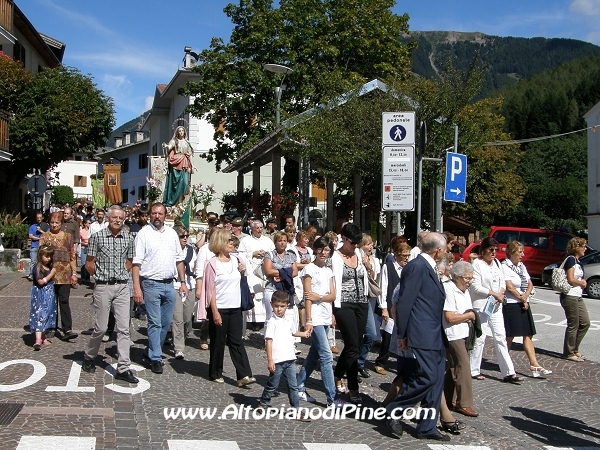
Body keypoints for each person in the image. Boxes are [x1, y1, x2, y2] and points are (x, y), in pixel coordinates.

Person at [385, 232, 450, 442]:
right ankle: (395, 409)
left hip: (434, 332)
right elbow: (404, 302)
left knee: (437, 378)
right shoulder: (417, 266)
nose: (448, 250)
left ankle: (427, 425)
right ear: (438, 250)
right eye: (446, 247)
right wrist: (402, 333)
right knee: (428, 375)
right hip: (421, 332)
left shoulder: (428, 266)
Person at [82, 206, 138, 383]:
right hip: (103, 286)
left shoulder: (128, 238)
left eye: (121, 218)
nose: (118, 220)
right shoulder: (97, 237)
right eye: (115, 217)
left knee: (123, 328)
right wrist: (99, 277)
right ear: (108, 218)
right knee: (101, 327)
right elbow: (89, 264)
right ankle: (89, 356)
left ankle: (123, 367)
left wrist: (122, 272)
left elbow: (130, 261)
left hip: (122, 287)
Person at [132, 203, 188, 374]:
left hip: (169, 284)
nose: (157, 216)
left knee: (166, 322)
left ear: (165, 215)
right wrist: (137, 288)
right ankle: (156, 357)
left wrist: (183, 281)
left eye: (160, 213)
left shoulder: (172, 234)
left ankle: (150, 351)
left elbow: (179, 260)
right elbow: (136, 263)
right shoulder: (143, 234)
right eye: (154, 213)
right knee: (155, 322)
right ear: (150, 215)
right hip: (150, 283)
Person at [197, 228, 255, 385]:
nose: (231, 243)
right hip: (219, 308)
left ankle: (244, 375)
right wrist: (214, 312)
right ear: (219, 243)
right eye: (228, 240)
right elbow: (210, 291)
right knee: (218, 342)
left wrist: (243, 272)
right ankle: (215, 372)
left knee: (236, 341)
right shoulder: (212, 264)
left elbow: (241, 282)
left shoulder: (237, 260)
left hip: (235, 307)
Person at [296, 236, 343, 407]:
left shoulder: (328, 270)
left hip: (324, 316)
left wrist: (322, 300)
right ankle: (333, 397)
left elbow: (332, 295)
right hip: (314, 317)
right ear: (315, 249)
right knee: (326, 355)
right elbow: (308, 297)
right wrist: (308, 320)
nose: (324, 253)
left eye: (327, 250)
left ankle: (298, 384)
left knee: (314, 355)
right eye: (321, 249)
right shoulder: (309, 269)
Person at [469, 237, 522, 384]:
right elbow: (475, 287)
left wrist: (501, 293)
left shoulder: (498, 263)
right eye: (490, 250)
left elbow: (503, 281)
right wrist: (494, 293)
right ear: (483, 250)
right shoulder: (477, 264)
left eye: (495, 250)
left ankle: (508, 372)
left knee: (500, 336)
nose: (493, 253)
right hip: (482, 305)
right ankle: (473, 369)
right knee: (480, 338)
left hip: (495, 305)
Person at [257, 290, 310, 421]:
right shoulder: (271, 322)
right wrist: (270, 360)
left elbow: (293, 332)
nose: (279, 309)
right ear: (271, 305)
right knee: (273, 384)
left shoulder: (288, 319)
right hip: (278, 359)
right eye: (276, 306)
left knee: (293, 386)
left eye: (282, 306)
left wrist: (304, 334)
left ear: (287, 305)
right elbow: (268, 342)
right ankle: (264, 401)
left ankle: (295, 410)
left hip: (290, 358)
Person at [331, 223, 369, 403]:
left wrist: (369, 266)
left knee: (356, 343)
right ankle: (353, 387)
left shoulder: (359, 254)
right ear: (344, 239)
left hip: (361, 302)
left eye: (358, 243)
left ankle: (337, 373)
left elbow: (366, 278)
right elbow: (335, 283)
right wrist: (333, 309)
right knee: (352, 344)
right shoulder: (336, 257)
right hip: (344, 304)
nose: (355, 246)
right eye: (353, 242)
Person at [502, 240, 552, 376]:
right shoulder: (505, 266)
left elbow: (529, 283)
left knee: (528, 334)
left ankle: (534, 364)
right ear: (512, 253)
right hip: (511, 304)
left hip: (523, 302)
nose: (522, 255)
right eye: (520, 252)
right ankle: (503, 361)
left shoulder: (521, 266)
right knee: (509, 335)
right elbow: (509, 286)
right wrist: (521, 298)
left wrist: (526, 296)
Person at [443, 260, 478, 418]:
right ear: (456, 277)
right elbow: (450, 317)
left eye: (471, 278)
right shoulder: (449, 289)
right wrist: (468, 316)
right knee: (463, 367)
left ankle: (448, 398)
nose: (469, 282)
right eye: (467, 278)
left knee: (454, 367)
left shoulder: (464, 290)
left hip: (463, 333)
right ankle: (465, 403)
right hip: (452, 334)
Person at [40, 211, 78, 341]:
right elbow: (40, 255)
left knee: (64, 300)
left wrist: (74, 273)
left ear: (62, 223)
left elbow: (72, 255)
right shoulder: (45, 236)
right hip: (50, 273)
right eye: (52, 222)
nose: (54, 225)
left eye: (57, 222)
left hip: (65, 274)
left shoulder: (68, 236)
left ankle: (67, 328)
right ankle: (51, 326)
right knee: (51, 301)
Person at [374, 239, 410, 375]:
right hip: (390, 305)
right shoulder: (388, 267)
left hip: (403, 306)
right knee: (388, 335)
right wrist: (383, 307)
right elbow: (383, 287)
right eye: (403, 255)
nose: (406, 258)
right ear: (396, 255)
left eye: (408, 255)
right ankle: (381, 361)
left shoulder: (409, 267)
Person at [238, 220, 275, 328]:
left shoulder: (268, 240)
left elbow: (273, 252)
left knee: (264, 293)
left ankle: (263, 319)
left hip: (264, 270)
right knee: (254, 292)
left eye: (261, 228)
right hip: (252, 270)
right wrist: (253, 253)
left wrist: (266, 254)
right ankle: (253, 320)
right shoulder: (246, 240)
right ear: (252, 229)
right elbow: (240, 254)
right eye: (257, 228)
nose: (259, 230)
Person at [560, 237, 590, 362]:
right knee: (574, 324)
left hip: (577, 295)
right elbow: (571, 279)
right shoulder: (571, 260)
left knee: (585, 323)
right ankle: (568, 352)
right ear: (577, 247)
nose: (585, 249)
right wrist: (582, 282)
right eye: (583, 246)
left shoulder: (578, 261)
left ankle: (575, 349)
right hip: (569, 295)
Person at [357, 233, 381, 379]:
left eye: (372, 244)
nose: (370, 247)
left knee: (371, 334)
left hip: (367, 299)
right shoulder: (356, 257)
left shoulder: (374, 259)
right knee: (356, 336)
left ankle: (359, 362)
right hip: (355, 300)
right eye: (367, 244)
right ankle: (352, 365)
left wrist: (369, 266)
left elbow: (372, 278)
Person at [171, 225, 196, 360]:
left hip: (190, 286)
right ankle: (178, 347)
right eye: (182, 236)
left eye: (186, 236)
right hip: (175, 285)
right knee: (177, 318)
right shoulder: (170, 250)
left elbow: (196, 267)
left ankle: (180, 337)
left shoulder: (191, 251)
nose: (185, 238)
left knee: (187, 318)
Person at [262, 231, 298, 324]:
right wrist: (286, 272)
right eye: (280, 240)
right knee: (271, 317)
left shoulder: (291, 255)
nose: (282, 243)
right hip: (272, 288)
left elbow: (295, 272)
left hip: (286, 288)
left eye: (284, 241)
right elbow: (268, 271)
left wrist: (282, 276)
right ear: (275, 242)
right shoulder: (269, 254)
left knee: (287, 317)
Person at [29, 245, 57, 350]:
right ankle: (37, 340)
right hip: (40, 295)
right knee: (39, 315)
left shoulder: (48, 267)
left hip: (49, 295)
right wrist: (52, 274)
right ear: (41, 256)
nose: (48, 258)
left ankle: (43, 336)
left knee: (46, 314)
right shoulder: (38, 267)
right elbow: (40, 281)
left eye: (50, 256)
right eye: (46, 256)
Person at [162, 126, 193, 207]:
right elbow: (169, 147)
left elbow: (189, 154)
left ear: (184, 132)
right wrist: (166, 146)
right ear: (177, 132)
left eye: (182, 130)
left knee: (185, 183)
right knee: (174, 182)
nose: (181, 132)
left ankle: (181, 202)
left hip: (184, 162)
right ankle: (172, 201)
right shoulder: (174, 141)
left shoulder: (187, 142)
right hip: (175, 162)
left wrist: (192, 165)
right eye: (179, 131)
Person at [28, 212, 48, 281]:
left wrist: (41, 231)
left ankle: (41, 274)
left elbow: (48, 235)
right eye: (37, 218)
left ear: (42, 218)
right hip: (34, 246)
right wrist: (38, 238)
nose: (39, 219)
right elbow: (30, 236)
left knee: (42, 261)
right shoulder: (32, 226)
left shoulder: (46, 226)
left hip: (42, 247)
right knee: (33, 261)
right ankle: (31, 275)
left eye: (40, 218)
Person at [79, 217, 92, 284]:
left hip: (90, 248)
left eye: (90, 223)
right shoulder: (82, 231)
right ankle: (83, 278)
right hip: (83, 248)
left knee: (89, 264)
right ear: (85, 224)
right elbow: (78, 240)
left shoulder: (91, 231)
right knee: (83, 263)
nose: (90, 224)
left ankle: (87, 278)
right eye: (89, 223)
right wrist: (83, 244)